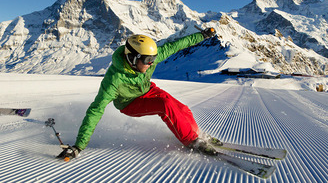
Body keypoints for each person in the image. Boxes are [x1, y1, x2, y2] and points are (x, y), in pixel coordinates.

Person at [57, 28, 221, 160]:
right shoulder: (114, 79)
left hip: (147, 89)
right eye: (148, 60)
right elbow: (96, 110)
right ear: (133, 59)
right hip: (130, 103)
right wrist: (79, 146)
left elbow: (176, 45)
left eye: (153, 59)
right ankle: (191, 141)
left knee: (182, 108)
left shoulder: (148, 60)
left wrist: (202, 35)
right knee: (165, 106)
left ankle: (197, 133)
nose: (151, 63)